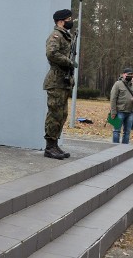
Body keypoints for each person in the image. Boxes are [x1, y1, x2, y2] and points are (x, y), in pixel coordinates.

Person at [43, 9, 77, 160]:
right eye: (69, 19)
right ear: (61, 21)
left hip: (63, 81)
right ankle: (49, 147)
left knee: (62, 114)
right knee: (54, 113)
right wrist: (68, 61)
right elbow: (51, 53)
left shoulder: (66, 36)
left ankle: (55, 144)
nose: (71, 21)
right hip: (56, 80)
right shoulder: (56, 35)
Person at [109, 68, 133, 144]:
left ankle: (124, 149)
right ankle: (115, 148)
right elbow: (113, 98)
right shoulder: (117, 84)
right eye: (128, 74)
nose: (129, 75)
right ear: (123, 74)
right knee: (116, 131)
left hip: (130, 112)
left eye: (131, 74)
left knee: (127, 132)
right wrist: (113, 112)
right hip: (119, 112)